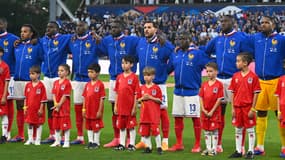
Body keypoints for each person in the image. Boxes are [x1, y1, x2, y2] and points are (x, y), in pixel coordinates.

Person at [204, 15, 252, 153]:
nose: (222, 24)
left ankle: (241, 146)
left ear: (233, 23)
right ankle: (218, 144)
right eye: (221, 22)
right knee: (220, 113)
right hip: (219, 79)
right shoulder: (218, 39)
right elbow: (206, 51)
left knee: (239, 113)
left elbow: (247, 56)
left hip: (235, 79)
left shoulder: (240, 38)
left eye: (225, 21)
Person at [167, 33, 211, 152]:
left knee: (195, 118)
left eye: (183, 38)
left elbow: (210, 64)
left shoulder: (197, 54)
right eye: (179, 39)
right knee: (177, 117)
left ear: (190, 40)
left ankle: (197, 145)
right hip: (177, 91)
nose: (181, 41)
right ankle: (179, 144)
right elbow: (168, 69)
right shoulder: (176, 54)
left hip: (192, 92)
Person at [99, 19, 139, 148]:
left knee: (129, 109)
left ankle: (128, 138)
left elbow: (141, 48)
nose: (113, 29)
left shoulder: (131, 40)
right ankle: (117, 138)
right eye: (111, 27)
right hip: (114, 78)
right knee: (115, 109)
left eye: (115, 27)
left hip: (128, 78)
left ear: (122, 28)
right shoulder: (107, 40)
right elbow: (99, 48)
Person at [249, 16, 285, 157]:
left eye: (266, 23)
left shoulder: (281, 40)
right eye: (261, 23)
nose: (263, 25)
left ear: (273, 24)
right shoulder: (256, 38)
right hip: (260, 82)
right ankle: (260, 146)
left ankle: (284, 146)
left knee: (280, 115)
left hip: (277, 81)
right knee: (261, 114)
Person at [136, 20, 173, 151]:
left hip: (159, 84)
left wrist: (164, 72)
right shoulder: (141, 42)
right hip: (143, 83)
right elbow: (136, 58)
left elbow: (173, 58)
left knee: (162, 112)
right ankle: (144, 141)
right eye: (145, 27)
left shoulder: (164, 44)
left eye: (149, 27)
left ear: (155, 29)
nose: (146, 29)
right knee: (144, 111)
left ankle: (165, 140)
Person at [10, 24, 43, 142]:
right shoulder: (17, 46)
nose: (22, 33)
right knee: (19, 107)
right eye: (21, 31)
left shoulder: (37, 45)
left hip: (31, 82)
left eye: (25, 31)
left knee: (32, 109)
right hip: (18, 80)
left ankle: (33, 135)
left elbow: (43, 57)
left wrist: (38, 40)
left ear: (31, 33)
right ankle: (20, 134)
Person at [68, 21, 100, 145]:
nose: (78, 27)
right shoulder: (73, 41)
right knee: (78, 109)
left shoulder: (93, 40)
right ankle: (80, 137)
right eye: (77, 26)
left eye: (81, 26)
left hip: (89, 80)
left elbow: (104, 47)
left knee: (92, 110)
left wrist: (99, 38)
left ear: (87, 28)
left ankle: (94, 138)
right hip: (77, 79)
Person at [40, 21, 71, 144]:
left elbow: (75, 37)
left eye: (51, 27)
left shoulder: (64, 38)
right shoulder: (43, 40)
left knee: (62, 106)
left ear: (57, 28)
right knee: (49, 106)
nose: (48, 29)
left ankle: (63, 134)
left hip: (59, 78)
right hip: (47, 77)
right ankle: (52, 134)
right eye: (47, 27)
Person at [228, 52, 260, 159]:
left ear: (245, 63)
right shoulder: (235, 76)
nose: (236, 63)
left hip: (248, 107)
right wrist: (232, 108)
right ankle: (238, 150)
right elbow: (232, 92)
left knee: (250, 128)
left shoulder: (253, 77)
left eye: (238, 61)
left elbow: (256, 93)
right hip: (237, 107)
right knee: (238, 128)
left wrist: (253, 108)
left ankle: (250, 151)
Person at [113, 55, 140, 151]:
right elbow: (117, 92)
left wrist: (134, 107)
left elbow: (136, 93)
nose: (124, 65)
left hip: (129, 106)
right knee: (122, 126)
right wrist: (115, 105)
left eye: (126, 63)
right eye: (122, 63)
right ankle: (121, 144)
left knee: (131, 126)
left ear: (131, 64)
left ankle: (132, 144)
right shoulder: (119, 77)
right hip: (120, 106)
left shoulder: (134, 78)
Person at [199, 62, 224, 156]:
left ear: (216, 72)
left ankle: (214, 149)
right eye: (207, 71)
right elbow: (201, 97)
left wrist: (212, 111)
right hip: (205, 112)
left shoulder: (219, 85)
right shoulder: (204, 84)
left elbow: (219, 99)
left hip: (214, 112)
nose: (208, 73)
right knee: (206, 130)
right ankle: (208, 148)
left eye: (211, 71)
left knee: (214, 130)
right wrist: (203, 109)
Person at [138, 66, 163, 154]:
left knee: (156, 132)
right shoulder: (141, 88)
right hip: (144, 115)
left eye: (148, 75)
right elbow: (138, 100)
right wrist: (142, 99)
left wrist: (151, 97)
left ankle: (159, 147)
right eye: (145, 75)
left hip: (153, 115)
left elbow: (160, 101)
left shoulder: (156, 88)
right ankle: (149, 147)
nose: (146, 77)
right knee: (145, 133)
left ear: (153, 76)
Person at [0, 18, 18, 141]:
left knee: (8, 103)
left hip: (9, 75)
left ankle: (7, 132)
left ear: (5, 24)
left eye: (0, 24)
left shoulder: (13, 39)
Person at [82, 63, 105, 149]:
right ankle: (90, 141)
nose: (90, 74)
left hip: (96, 110)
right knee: (89, 126)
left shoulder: (100, 84)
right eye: (88, 72)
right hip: (88, 109)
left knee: (96, 126)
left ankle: (96, 142)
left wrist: (99, 110)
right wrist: (83, 109)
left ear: (98, 73)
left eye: (92, 72)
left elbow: (102, 99)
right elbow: (84, 97)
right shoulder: (87, 85)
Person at [23, 65, 47, 146]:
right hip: (29, 109)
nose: (31, 75)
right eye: (30, 74)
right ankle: (30, 139)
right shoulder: (28, 85)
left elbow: (43, 99)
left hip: (38, 109)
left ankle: (38, 139)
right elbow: (25, 97)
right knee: (29, 123)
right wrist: (25, 107)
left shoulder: (41, 85)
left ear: (38, 74)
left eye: (33, 73)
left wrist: (41, 109)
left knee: (38, 124)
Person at [50, 64, 72, 148]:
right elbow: (54, 94)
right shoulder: (55, 82)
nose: (59, 72)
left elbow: (65, 95)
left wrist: (59, 104)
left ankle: (66, 141)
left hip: (64, 107)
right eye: (59, 70)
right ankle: (57, 141)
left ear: (66, 72)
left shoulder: (67, 83)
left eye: (62, 70)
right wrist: (56, 103)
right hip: (56, 107)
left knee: (65, 125)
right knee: (56, 124)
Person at [0, 47, 10, 143]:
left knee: (3, 114)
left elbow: (6, 82)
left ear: (1, 53)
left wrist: (4, 96)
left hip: (1, 93)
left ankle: (4, 135)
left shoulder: (5, 66)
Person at [275, 60, 285, 158]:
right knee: (283, 129)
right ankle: (283, 147)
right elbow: (278, 96)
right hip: (283, 109)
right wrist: (278, 111)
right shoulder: (281, 79)